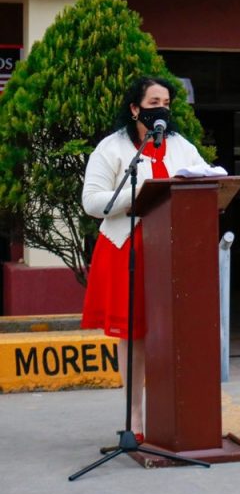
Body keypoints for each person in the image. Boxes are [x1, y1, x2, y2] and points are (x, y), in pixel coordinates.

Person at [81, 76, 213, 439]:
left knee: (175, 333)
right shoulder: (112, 148)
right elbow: (92, 202)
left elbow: (204, 178)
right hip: (127, 251)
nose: (162, 110)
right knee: (135, 336)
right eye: (154, 102)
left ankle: (175, 416)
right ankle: (135, 420)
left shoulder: (181, 146)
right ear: (135, 109)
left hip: (173, 251)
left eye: (167, 103)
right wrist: (138, 193)